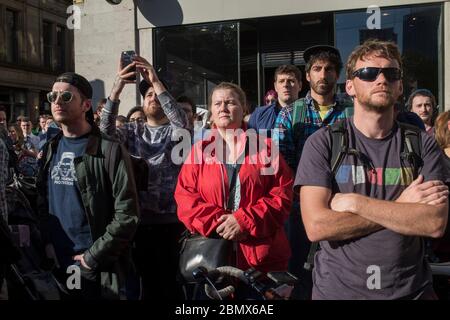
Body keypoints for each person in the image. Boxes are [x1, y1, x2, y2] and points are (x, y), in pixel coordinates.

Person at [296, 39, 448, 300]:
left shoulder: (421, 144)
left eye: (391, 73)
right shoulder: (323, 142)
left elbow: (433, 223)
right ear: (351, 87)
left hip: (411, 292)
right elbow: (317, 226)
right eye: (368, 73)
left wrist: (355, 202)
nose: (381, 80)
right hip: (338, 292)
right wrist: (402, 205)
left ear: (400, 87)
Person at [175, 82, 293, 298]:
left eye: (230, 102)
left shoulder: (265, 148)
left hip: (261, 262)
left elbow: (282, 196)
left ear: (244, 107)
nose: (223, 107)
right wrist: (222, 222)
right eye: (217, 103)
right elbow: (185, 199)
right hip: (213, 263)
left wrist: (244, 221)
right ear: (211, 110)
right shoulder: (198, 152)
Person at [37, 72, 140, 300]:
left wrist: (93, 256)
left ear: (85, 105)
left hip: (96, 264)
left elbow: (128, 214)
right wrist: (47, 244)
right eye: (52, 96)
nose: (56, 102)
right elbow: (42, 201)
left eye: (65, 96)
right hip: (59, 259)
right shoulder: (50, 148)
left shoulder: (109, 150)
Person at [100, 55, 189, 300]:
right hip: (138, 220)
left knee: (171, 283)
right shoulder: (132, 130)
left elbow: (181, 121)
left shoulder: (178, 132)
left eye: (157, 94)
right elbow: (104, 132)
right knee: (145, 284)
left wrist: (155, 80)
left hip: (172, 222)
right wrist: (117, 87)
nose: (152, 97)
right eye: (147, 94)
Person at [274, 45, 352, 299]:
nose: (323, 74)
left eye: (329, 69)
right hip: (301, 206)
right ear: (307, 76)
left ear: (337, 75)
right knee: (299, 272)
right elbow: (280, 162)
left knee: (345, 270)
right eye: (317, 69)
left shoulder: (352, 111)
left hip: (346, 204)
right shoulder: (290, 113)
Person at [248, 65, 302, 132]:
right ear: (275, 86)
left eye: (291, 81)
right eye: (281, 81)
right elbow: (252, 142)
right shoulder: (258, 115)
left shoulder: (311, 114)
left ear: (300, 86)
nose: (285, 85)